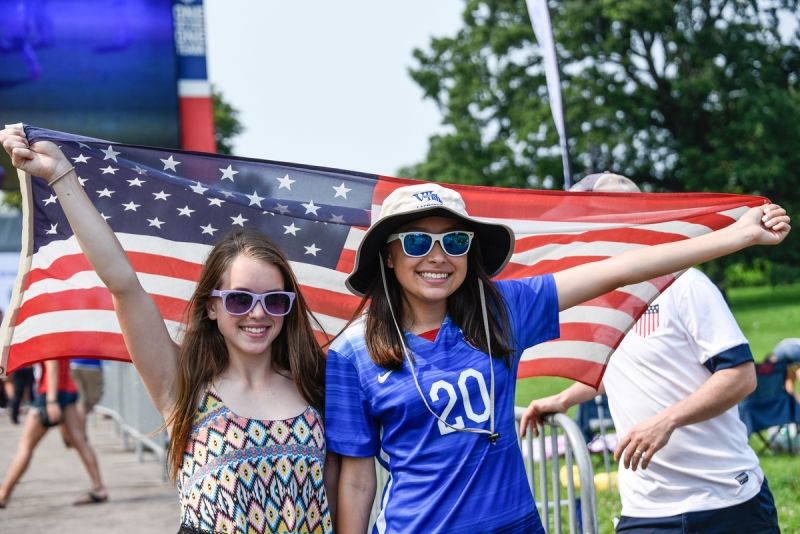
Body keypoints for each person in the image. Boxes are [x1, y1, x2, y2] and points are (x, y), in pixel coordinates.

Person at [325, 177, 789, 533]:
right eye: (416, 242)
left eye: (455, 241)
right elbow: (357, 478)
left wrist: (736, 236)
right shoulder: (352, 353)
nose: (437, 256)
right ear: (388, 256)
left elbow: (618, 271)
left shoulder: (500, 312)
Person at [0, 126, 334, 533]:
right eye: (239, 299)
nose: (258, 313)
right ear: (212, 306)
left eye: (275, 300)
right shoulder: (182, 384)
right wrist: (60, 175)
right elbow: (123, 284)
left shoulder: (317, 382)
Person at [521, 173, 781, 533]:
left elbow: (740, 376)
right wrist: (564, 399)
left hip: (725, 497)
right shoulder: (598, 298)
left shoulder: (685, 284)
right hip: (645, 507)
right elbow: (623, 366)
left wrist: (666, 421)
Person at [0, 359, 108, 507]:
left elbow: (52, 364)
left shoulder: (47, 342)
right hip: (66, 390)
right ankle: (99, 488)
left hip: (49, 393)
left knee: (25, 445)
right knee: (80, 441)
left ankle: (3, 494)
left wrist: (51, 401)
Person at [61, 358, 105, 447]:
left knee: (82, 403)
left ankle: (74, 433)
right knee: (83, 403)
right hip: (91, 364)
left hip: (74, 364)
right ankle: (80, 436)